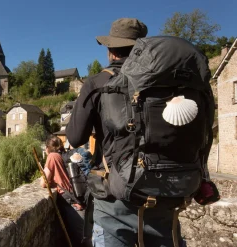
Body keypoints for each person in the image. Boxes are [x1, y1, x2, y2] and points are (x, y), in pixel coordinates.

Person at [66, 18, 187, 247]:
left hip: (114, 201)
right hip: (165, 196)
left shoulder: (98, 82)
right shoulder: (168, 83)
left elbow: (74, 138)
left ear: (111, 51)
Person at [40, 135, 87, 247]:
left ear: (47, 148)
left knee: (80, 241)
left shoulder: (52, 156)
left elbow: (43, 182)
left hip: (71, 203)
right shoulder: (65, 155)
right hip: (78, 198)